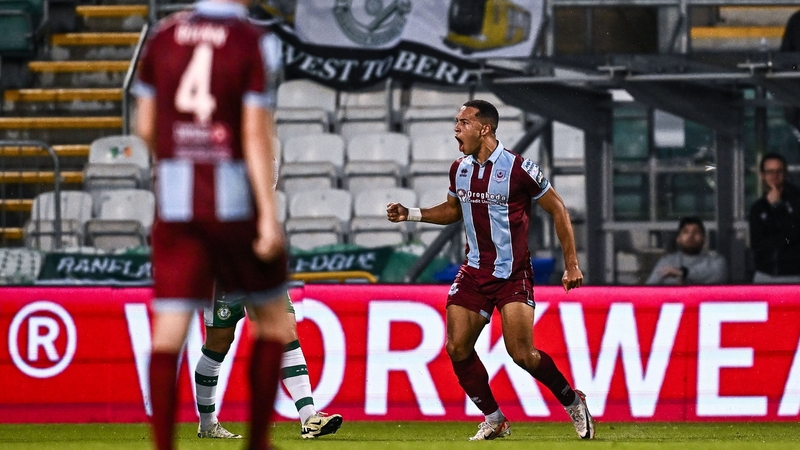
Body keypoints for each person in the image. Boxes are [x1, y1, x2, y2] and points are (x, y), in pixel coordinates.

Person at [387, 100, 595, 441]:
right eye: (456, 121)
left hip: (513, 275)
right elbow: (454, 210)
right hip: (474, 272)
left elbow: (558, 209)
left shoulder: (519, 168)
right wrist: (411, 213)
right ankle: (495, 418)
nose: (456, 128)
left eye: (463, 122)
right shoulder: (460, 168)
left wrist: (572, 263)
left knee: (522, 354)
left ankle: (573, 402)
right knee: (457, 348)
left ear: (484, 128)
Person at [132, 0, 289, 448]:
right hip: (233, 206)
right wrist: (267, 216)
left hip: (177, 208)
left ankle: (164, 443)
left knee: (168, 331)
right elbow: (256, 135)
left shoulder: (163, 35)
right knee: (275, 321)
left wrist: (183, 159)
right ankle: (258, 441)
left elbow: (144, 126)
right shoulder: (252, 40)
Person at [196, 286, 343, 439]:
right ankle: (208, 424)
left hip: (263, 272)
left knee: (286, 331)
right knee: (218, 344)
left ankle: (310, 418)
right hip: (226, 273)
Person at [748, 153, 800, 283]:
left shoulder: (797, 202)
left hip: (794, 275)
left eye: (779, 171)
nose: (775, 177)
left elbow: (792, 235)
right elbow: (757, 244)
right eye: (770, 172)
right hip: (765, 274)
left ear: (786, 174)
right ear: (762, 176)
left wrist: (777, 207)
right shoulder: (758, 208)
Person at [645, 217, 728, 285]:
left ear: (704, 239)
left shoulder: (715, 260)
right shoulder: (667, 261)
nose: (691, 236)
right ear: (678, 239)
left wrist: (683, 273)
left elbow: (718, 276)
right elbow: (650, 287)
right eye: (685, 232)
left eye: (696, 232)